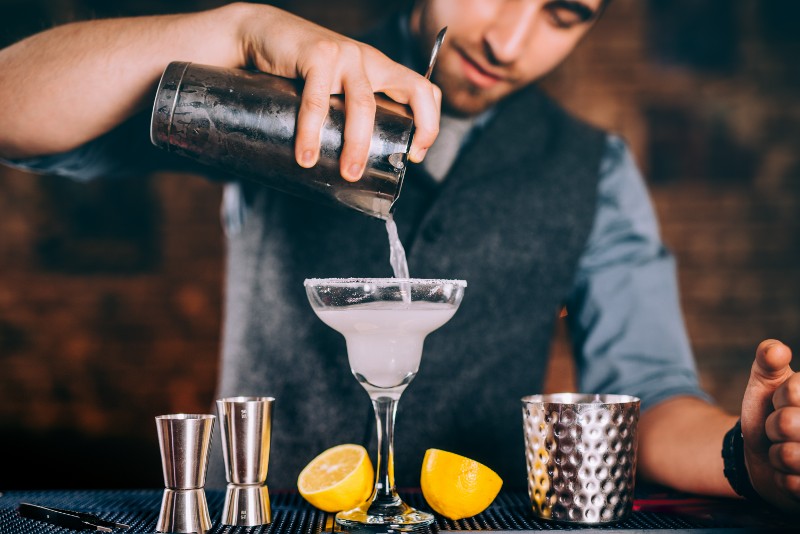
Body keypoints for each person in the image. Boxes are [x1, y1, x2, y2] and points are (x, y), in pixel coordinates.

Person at [2, 0, 800, 512]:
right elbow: (12, 111)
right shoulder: (279, 84)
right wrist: (237, 29)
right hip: (256, 522)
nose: (509, 40)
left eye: (563, 13)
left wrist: (745, 453)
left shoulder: (596, 167)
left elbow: (646, 393)